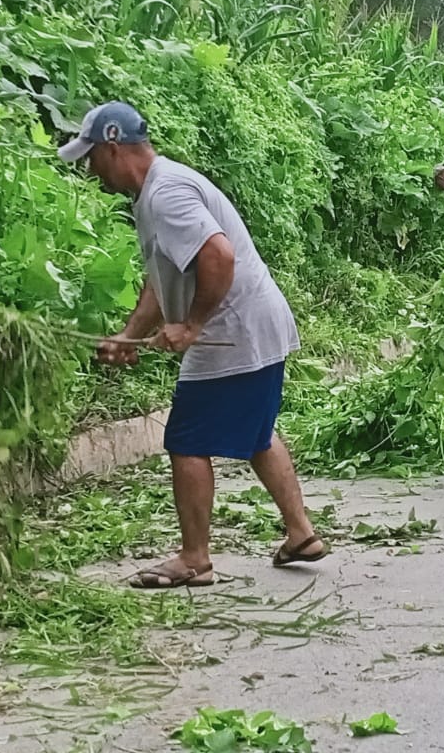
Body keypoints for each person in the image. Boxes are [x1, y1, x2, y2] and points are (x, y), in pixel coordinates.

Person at [59, 102, 327, 588]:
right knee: (257, 435)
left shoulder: (166, 196)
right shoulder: (156, 192)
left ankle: (195, 558)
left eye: (91, 156)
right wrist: (130, 336)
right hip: (250, 325)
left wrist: (192, 325)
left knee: (186, 440)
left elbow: (217, 257)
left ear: (113, 148)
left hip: (232, 332)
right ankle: (300, 533)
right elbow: (163, 279)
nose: (89, 168)